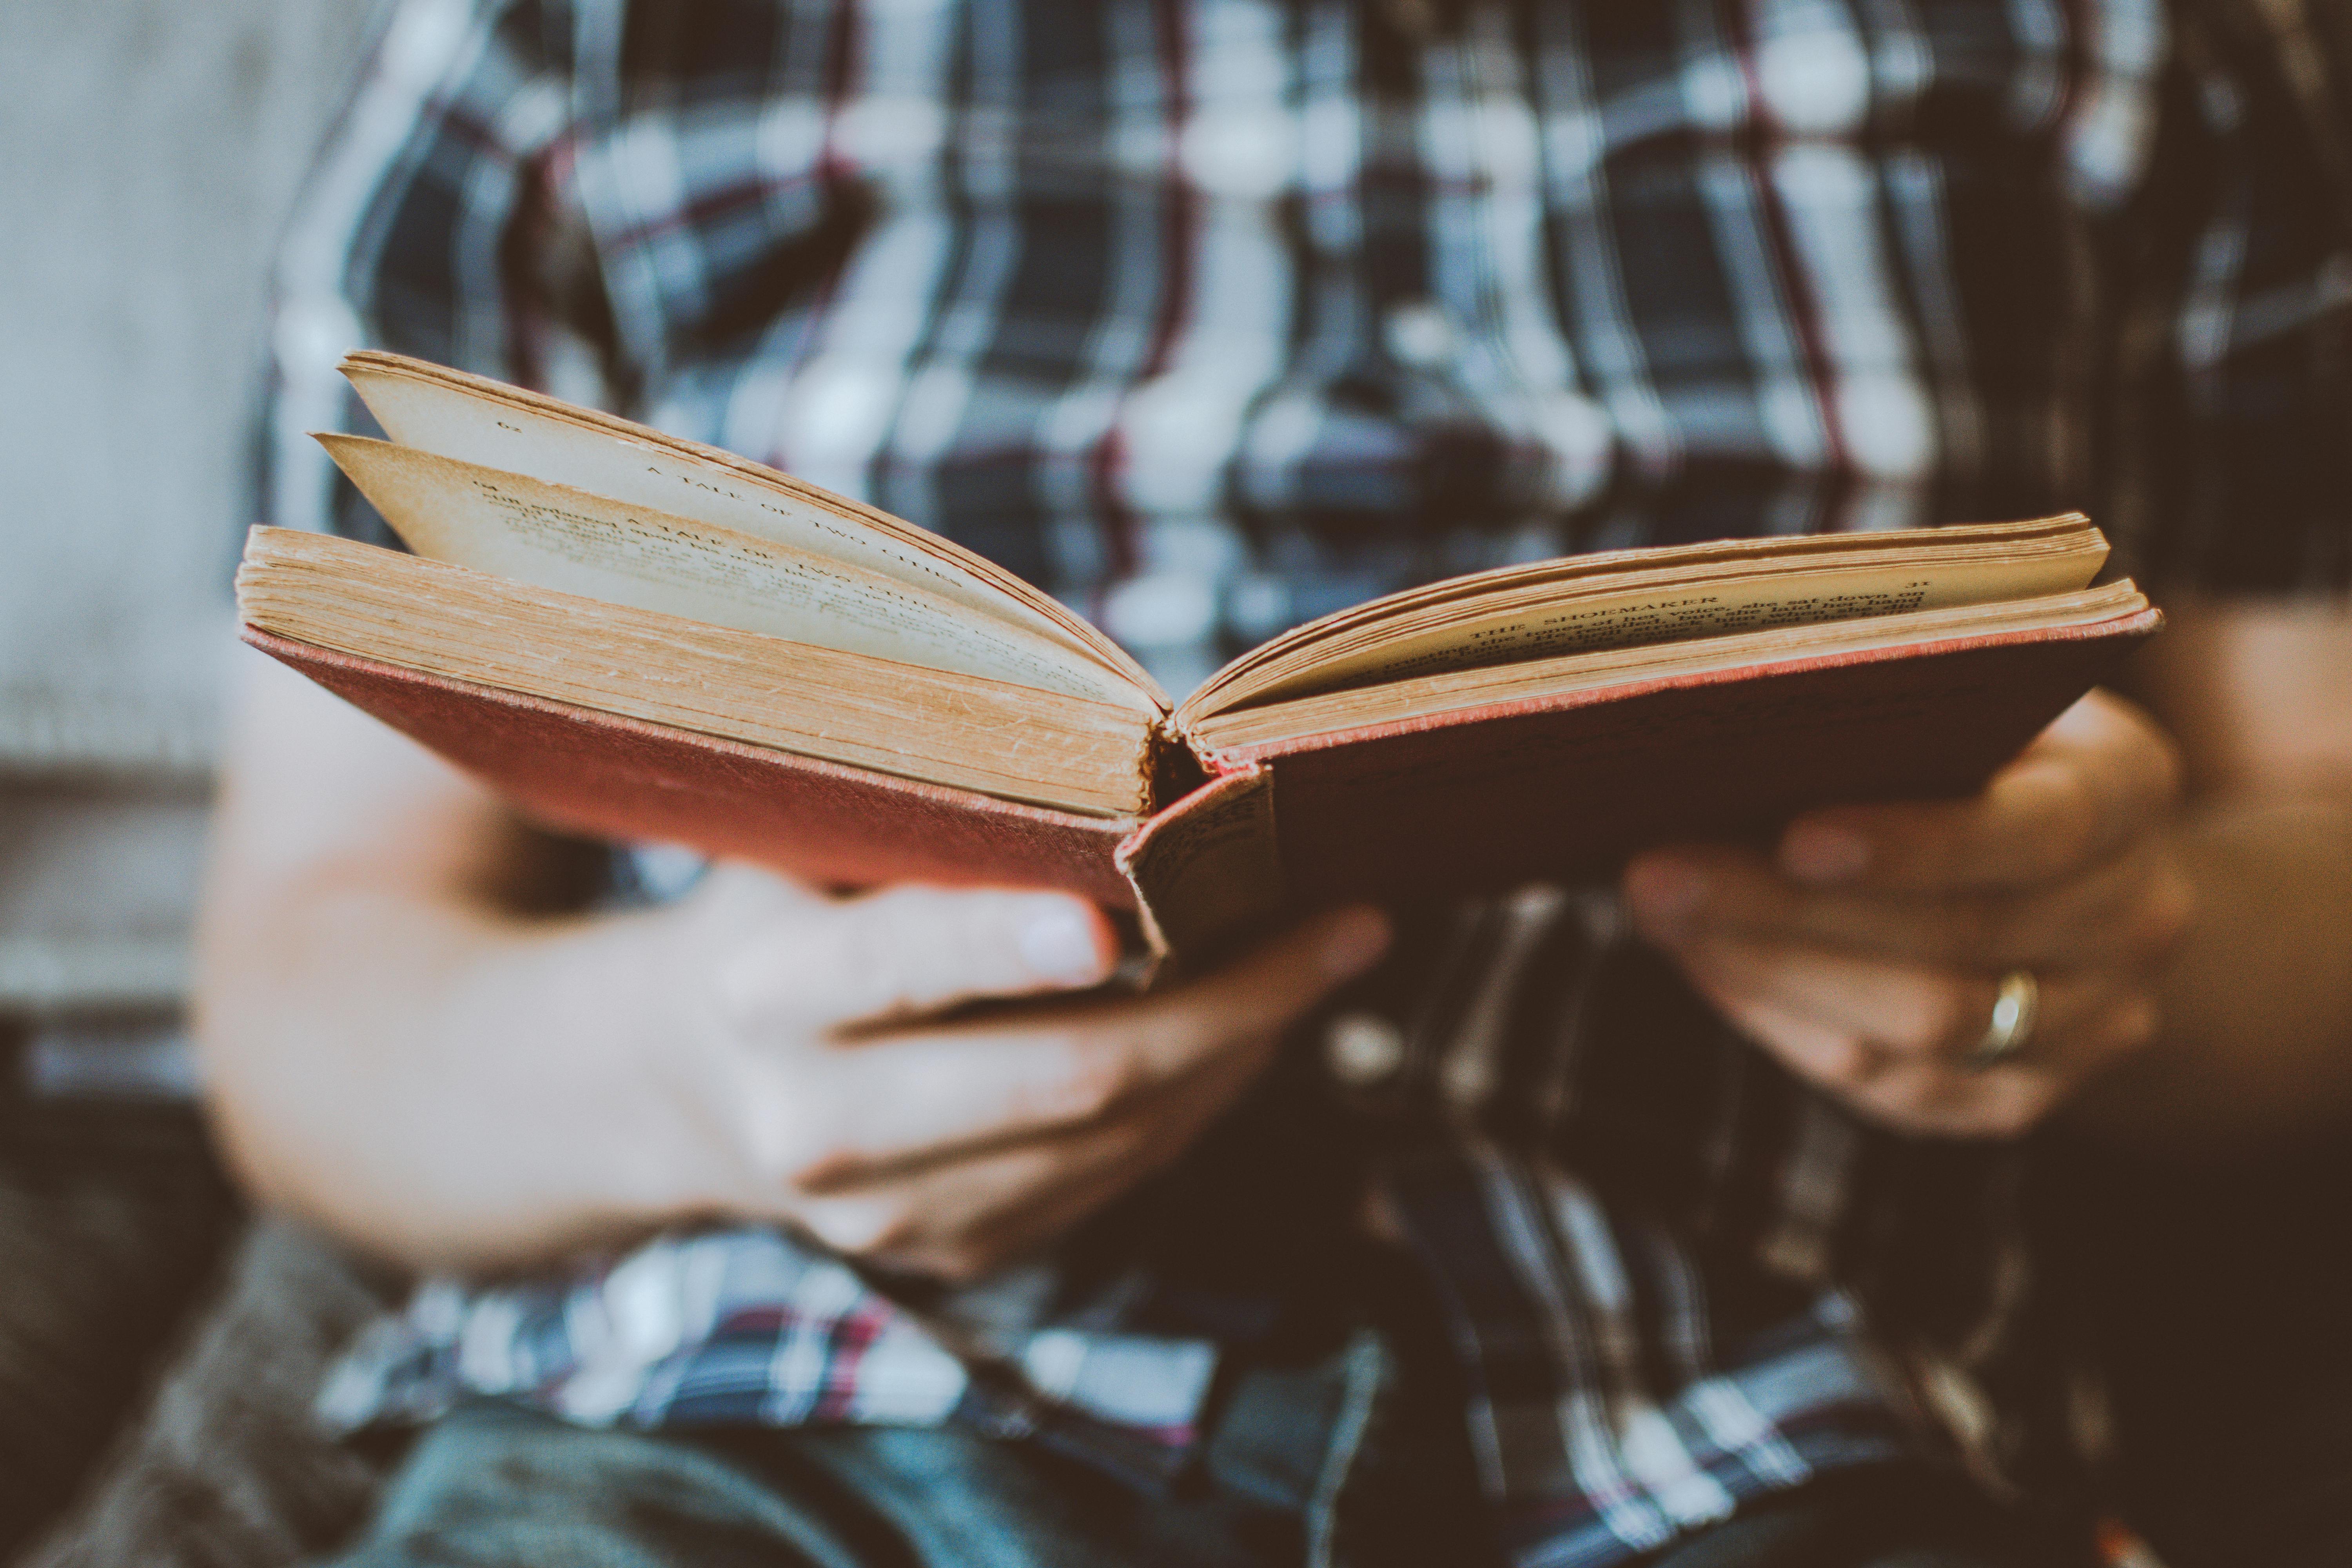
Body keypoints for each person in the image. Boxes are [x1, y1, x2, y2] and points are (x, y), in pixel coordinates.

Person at [189, 1, 2352, 1564]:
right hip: (768, 1412)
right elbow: (304, 980)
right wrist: (700, 1080)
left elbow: (2315, 844)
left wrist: (2113, 947)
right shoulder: (573, 45)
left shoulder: (2157, 49)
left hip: (1781, 1430)